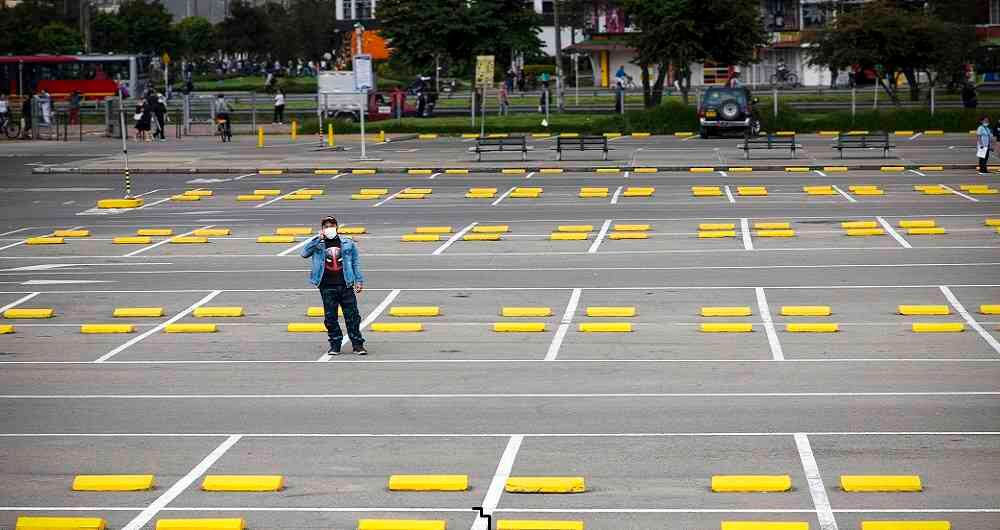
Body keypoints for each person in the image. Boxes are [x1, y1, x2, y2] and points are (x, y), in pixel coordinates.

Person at [300, 216, 367, 356]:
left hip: (346, 284)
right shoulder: (318, 243)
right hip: (326, 285)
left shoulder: (347, 242)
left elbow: (355, 262)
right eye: (326, 226)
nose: (329, 228)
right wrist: (318, 238)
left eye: (331, 225)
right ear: (322, 228)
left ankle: (358, 345)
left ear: (337, 227)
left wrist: (359, 280)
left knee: (353, 316)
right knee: (330, 318)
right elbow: (304, 253)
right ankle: (335, 344)